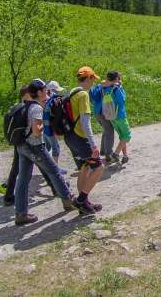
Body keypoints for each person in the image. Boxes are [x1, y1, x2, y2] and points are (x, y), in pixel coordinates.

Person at [14, 79, 76, 225]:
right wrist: (43, 124)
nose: (46, 92)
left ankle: (21, 213)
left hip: (22, 146)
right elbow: (36, 131)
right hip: (35, 146)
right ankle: (68, 201)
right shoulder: (36, 108)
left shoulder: (24, 105)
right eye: (45, 90)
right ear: (40, 92)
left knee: (23, 180)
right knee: (54, 172)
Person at [0, 85, 60, 205]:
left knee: (18, 169)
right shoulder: (29, 107)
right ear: (25, 95)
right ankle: (56, 189)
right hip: (30, 143)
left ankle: (9, 196)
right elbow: (36, 129)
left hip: (20, 142)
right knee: (43, 166)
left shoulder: (19, 107)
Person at [62, 66, 105, 215]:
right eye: (92, 79)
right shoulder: (83, 95)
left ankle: (84, 204)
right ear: (87, 78)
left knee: (84, 168)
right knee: (99, 168)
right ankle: (80, 200)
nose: (93, 82)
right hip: (81, 138)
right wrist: (93, 144)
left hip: (70, 137)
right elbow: (86, 123)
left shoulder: (71, 93)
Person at [102, 71, 132, 165]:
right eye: (119, 78)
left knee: (122, 136)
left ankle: (125, 156)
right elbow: (122, 100)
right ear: (116, 79)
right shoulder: (116, 89)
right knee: (127, 135)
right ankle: (115, 154)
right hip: (120, 116)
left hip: (111, 117)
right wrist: (121, 88)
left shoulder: (105, 88)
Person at [42, 81, 64, 166]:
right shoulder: (53, 102)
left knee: (46, 148)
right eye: (56, 90)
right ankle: (55, 168)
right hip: (50, 130)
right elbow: (56, 118)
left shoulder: (45, 101)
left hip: (45, 129)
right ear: (51, 90)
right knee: (56, 149)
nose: (58, 92)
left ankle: (45, 166)